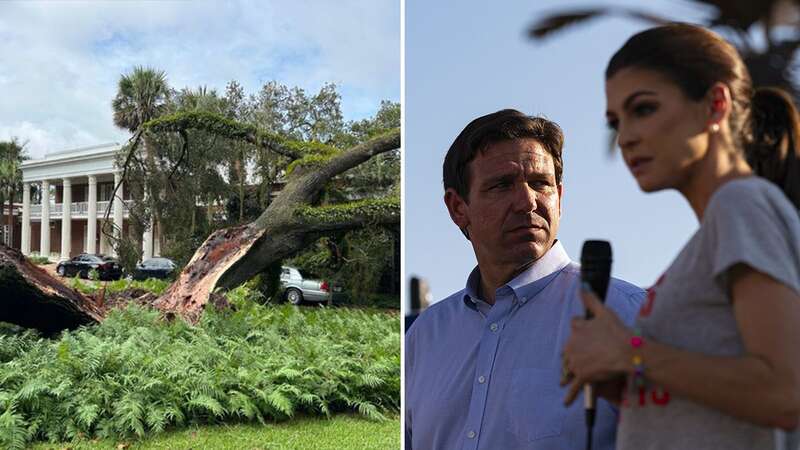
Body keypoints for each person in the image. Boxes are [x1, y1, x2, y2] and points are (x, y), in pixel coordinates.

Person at [562, 23, 800, 450]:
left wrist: (632, 352)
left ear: (714, 104)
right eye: (616, 121)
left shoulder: (739, 205)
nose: (626, 137)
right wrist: (627, 384)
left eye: (644, 109)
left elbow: (786, 393)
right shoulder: (711, 234)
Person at [405, 109, 644, 449]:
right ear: (458, 208)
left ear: (559, 197)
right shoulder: (423, 337)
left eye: (540, 184)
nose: (527, 201)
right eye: (502, 185)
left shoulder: (630, 315)